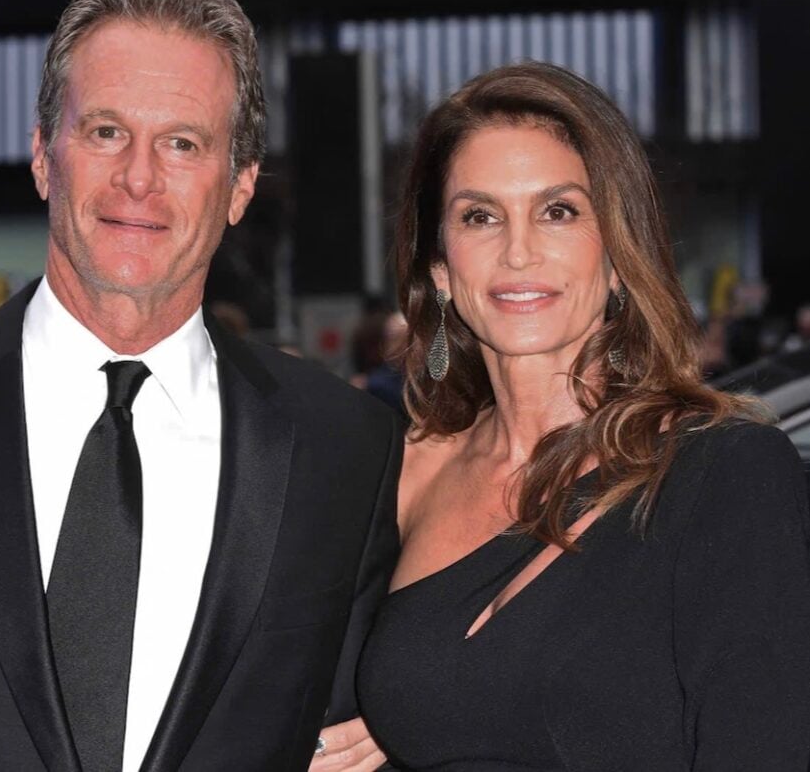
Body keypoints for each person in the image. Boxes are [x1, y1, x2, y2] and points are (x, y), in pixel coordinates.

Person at [0, 0, 401, 772]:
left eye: (182, 143)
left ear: (240, 186)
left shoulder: (344, 448)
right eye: (106, 131)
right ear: (44, 156)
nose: (138, 177)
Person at [314, 62, 810, 770]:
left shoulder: (723, 471)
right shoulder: (406, 472)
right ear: (441, 270)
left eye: (558, 211)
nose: (518, 251)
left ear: (618, 254)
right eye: (480, 216)